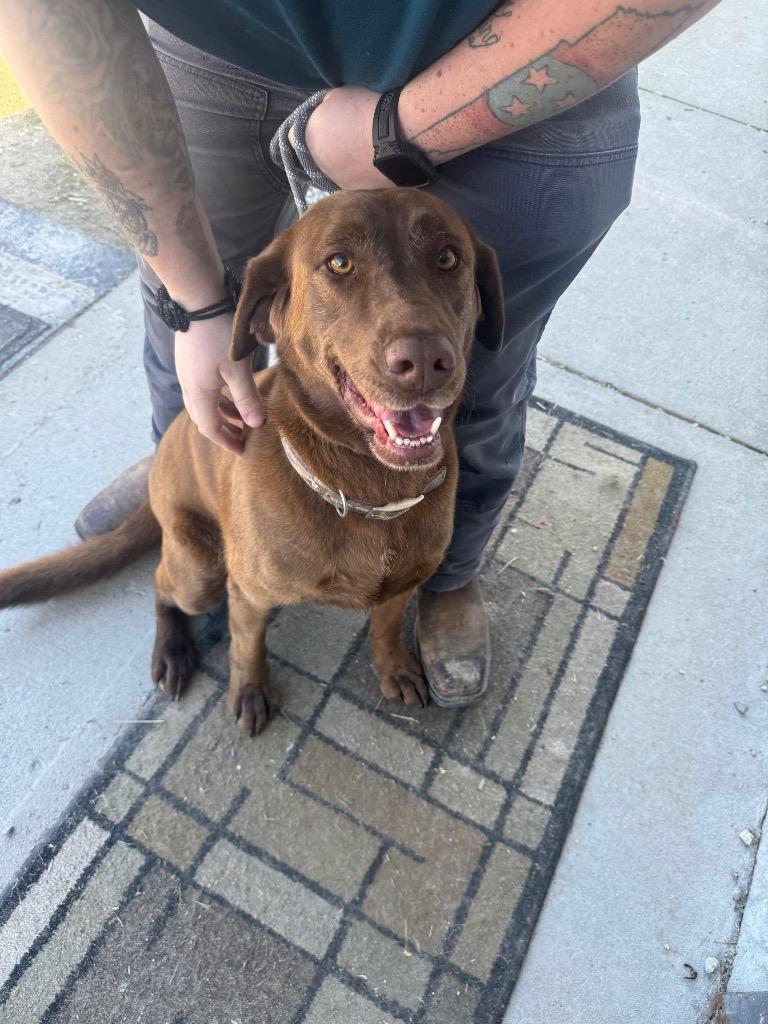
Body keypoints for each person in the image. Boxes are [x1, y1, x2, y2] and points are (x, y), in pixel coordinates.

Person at [0, 0, 719, 707]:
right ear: (273, 309)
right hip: (213, 40)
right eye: (338, 268)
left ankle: (446, 577)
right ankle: (186, 485)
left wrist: (400, 128)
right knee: (189, 338)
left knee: (482, 387)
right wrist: (195, 300)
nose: (415, 351)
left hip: (526, 52)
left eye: (448, 263)